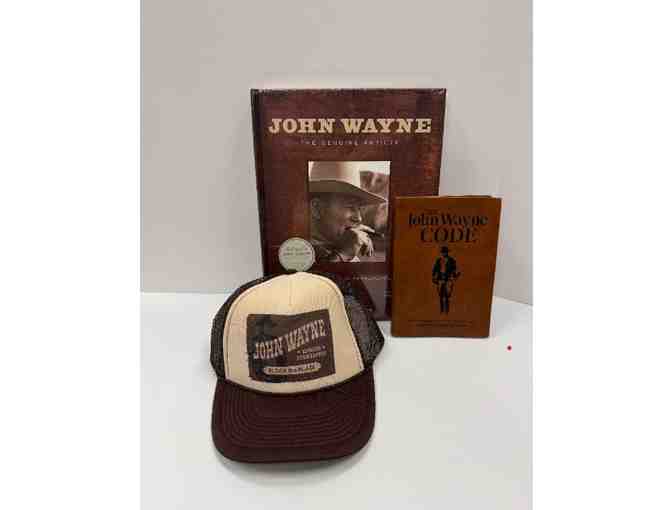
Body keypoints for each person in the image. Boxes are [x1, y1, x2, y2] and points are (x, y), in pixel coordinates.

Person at [308, 161, 387, 262]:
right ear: (317, 208)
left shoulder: (341, 248)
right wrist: (344, 254)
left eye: (359, 209)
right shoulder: (299, 249)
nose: (359, 218)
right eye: (350, 207)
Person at [432, 246, 460, 313]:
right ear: (441, 253)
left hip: (448, 279)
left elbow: (454, 269)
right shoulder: (438, 260)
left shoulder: (452, 260)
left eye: (445, 252)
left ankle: (447, 311)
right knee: (441, 296)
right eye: (443, 252)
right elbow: (434, 269)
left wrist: (455, 276)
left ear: (447, 252)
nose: (444, 253)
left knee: (447, 295)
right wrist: (433, 277)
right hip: (440, 279)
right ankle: (441, 311)